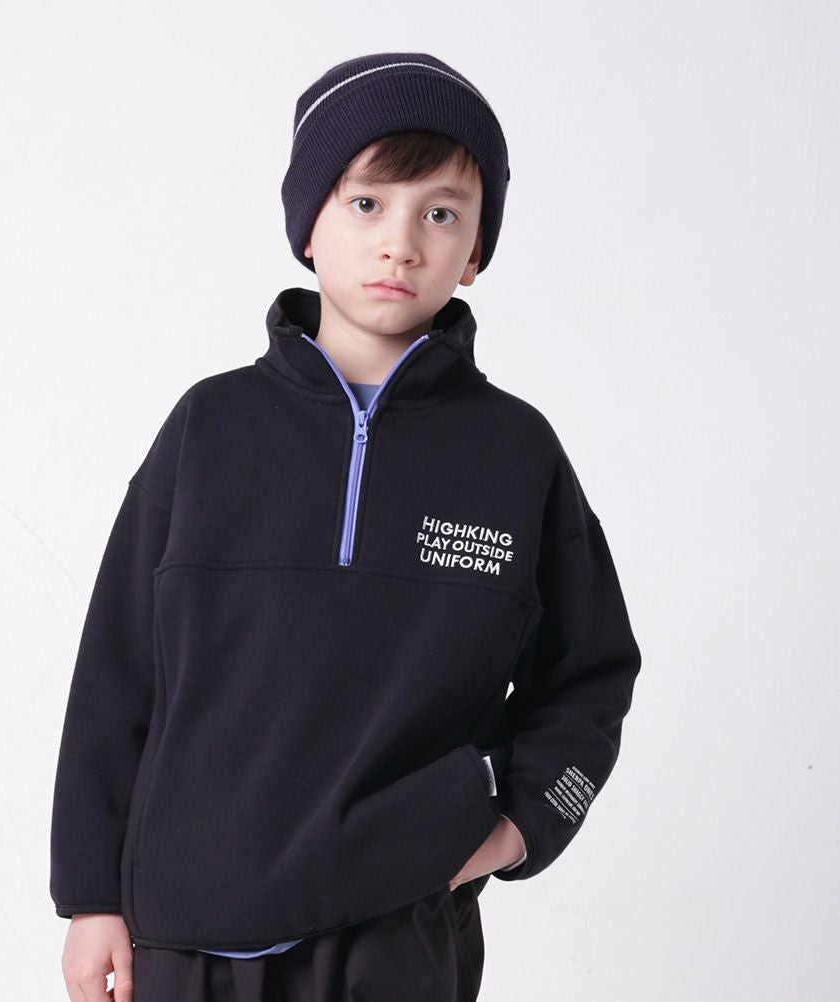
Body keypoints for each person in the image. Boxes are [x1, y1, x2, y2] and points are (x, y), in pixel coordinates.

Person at [49, 51, 643, 1002]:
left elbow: (590, 673)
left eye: (440, 214)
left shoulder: (516, 453)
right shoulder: (210, 429)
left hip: (398, 931)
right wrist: (90, 898)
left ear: (476, 251)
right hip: (187, 936)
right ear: (308, 227)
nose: (400, 244)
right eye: (367, 203)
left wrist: (521, 825)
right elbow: (117, 668)